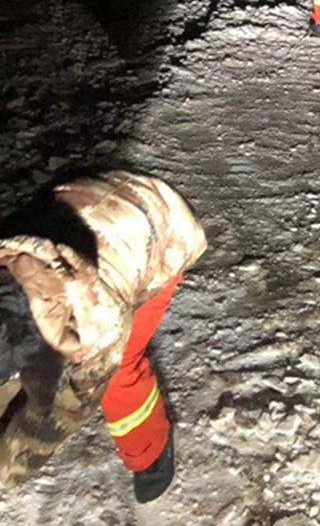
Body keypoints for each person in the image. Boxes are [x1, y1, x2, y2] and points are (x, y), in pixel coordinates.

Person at [0, 171, 206, 503]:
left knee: (120, 372)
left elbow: (47, 429)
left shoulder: (95, 328)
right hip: (88, 198)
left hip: (160, 225)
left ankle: (150, 454)